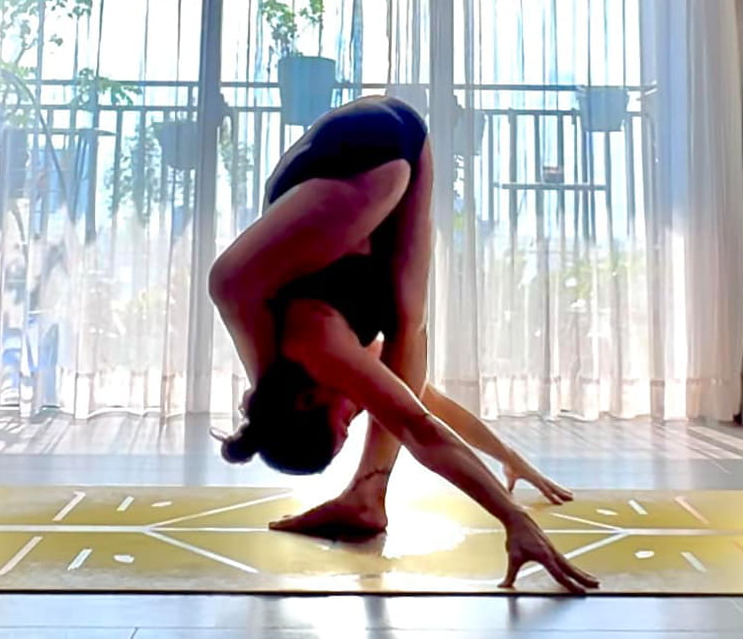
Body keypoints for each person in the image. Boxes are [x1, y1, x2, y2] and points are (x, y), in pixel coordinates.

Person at [208, 95, 598, 594]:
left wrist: (513, 518)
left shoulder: (314, 342)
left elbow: (418, 427)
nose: (354, 419)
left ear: (307, 401)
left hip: (352, 157)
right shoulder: (319, 372)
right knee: (406, 334)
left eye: (341, 425)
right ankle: (367, 498)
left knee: (400, 327)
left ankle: (367, 495)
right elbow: (419, 402)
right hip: (391, 148)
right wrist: (505, 455)